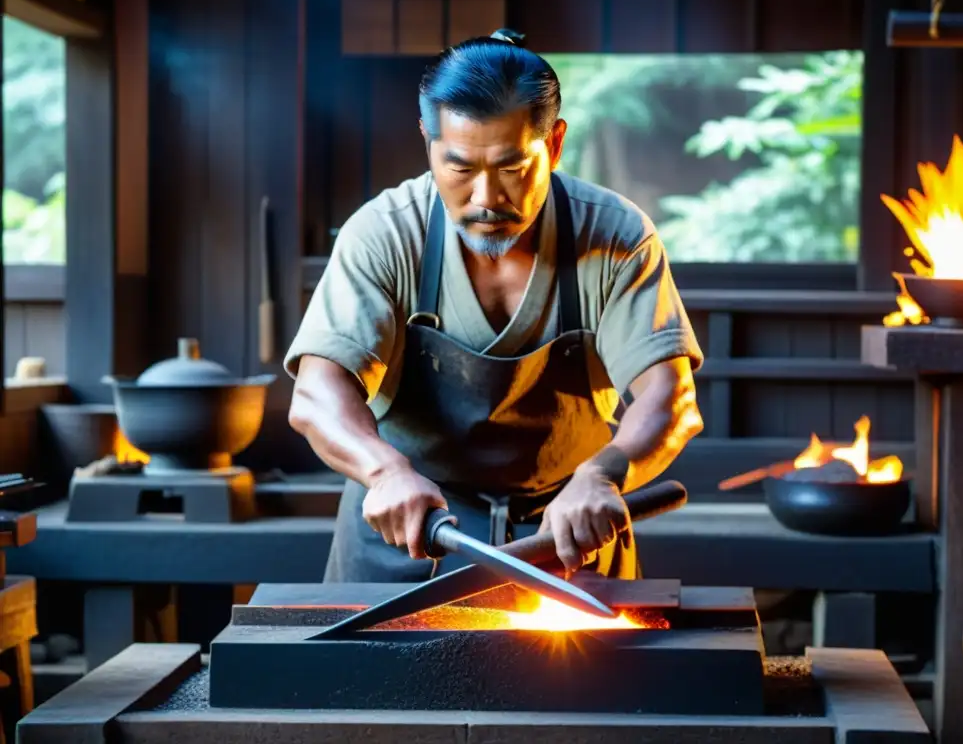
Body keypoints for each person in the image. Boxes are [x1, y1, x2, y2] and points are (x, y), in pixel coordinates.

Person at [285, 29, 705, 585]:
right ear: (427, 140)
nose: (486, 198)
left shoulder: (615, 235)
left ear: (553, 145)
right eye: (460, 169)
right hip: (411, 531)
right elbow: (318, 394)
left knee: (587, 674)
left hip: (568, 536)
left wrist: (602, 476)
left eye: (511, 168)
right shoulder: (385, 233)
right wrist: (383, 471)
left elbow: (669, 397)